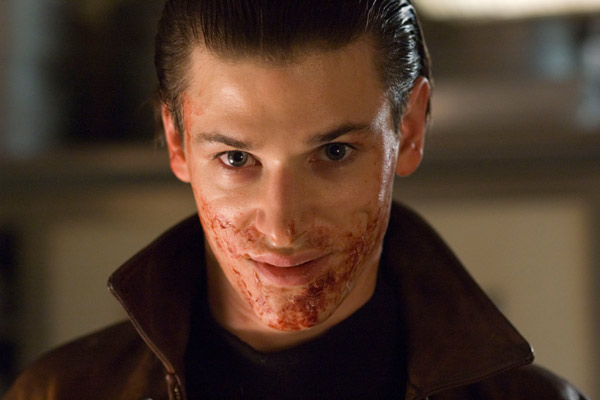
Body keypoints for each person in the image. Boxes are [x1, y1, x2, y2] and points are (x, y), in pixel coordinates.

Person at [4, 1, 589, 399]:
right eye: (237, 159)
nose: (283, 227)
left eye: (334, 153)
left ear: (409, 130)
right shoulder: (58, 392)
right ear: (177, 143)